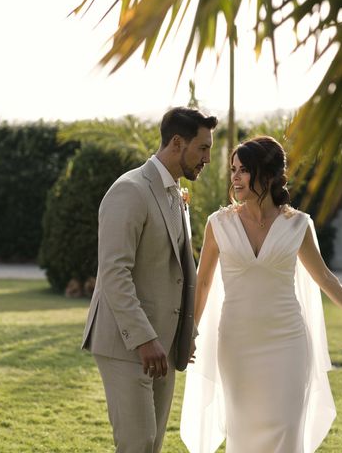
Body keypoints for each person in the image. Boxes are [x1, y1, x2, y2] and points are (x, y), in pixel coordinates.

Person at [180, 136, 342, 453]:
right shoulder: (217, 224)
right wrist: (190, 330)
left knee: (288, 430)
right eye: (233, 169)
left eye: (244, 170)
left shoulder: (297, 225)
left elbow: (324, 277)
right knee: (244, 434)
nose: (234, 177)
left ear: (268, 174)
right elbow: (203, 282)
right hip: (237, 346)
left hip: (287, 344)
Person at [82, 107, 218, 453]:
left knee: (152, 444)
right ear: (177, 143)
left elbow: (182, 271)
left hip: (164, 346)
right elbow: (114, 273)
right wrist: (144, 339)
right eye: (202, 148)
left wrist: (187, 335)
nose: (207, 158)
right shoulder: (129, 190)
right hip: (126, 343)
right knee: (137, 443)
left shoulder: (176, 195)